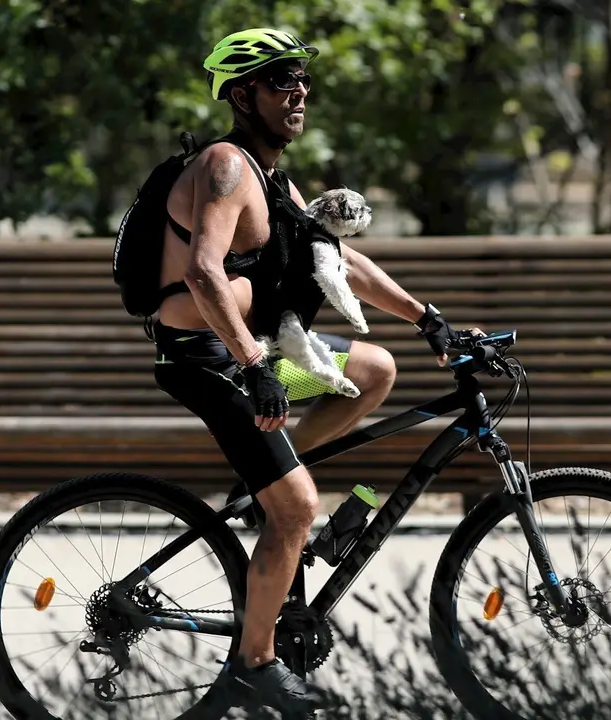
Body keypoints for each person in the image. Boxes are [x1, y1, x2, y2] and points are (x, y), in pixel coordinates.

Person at [150, 27, 481, 714]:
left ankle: (267, 498)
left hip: (248, 349)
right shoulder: (225, 166)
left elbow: (337, 263)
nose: (298, 91)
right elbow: (203, 272)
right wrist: (254, 363)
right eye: (281, 80)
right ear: (242, 95)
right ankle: (253, 663)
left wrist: (428, 320)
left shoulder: (271, 176)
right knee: (298, 507)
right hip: (207, 357)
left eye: (302, 79)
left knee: (373, 368)